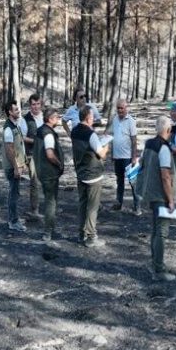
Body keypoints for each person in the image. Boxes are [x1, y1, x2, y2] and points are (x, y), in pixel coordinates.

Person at [137, 116, 176, 281]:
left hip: (150, 193)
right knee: (162, 232)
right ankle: (159, 270)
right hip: (161, 196)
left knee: (155, 230)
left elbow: (143, 165)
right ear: (167, 130)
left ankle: (154, 263)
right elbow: (165, 176)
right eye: (171, 130)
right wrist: (170, 200)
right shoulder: (164, 149)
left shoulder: (148, 144)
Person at [70, 105, 109, 248]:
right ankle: (92, 236)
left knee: (82, 204)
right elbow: (101, 153)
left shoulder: (74, 131)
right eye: (92, 116)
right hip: (93, 175)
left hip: (80, 173)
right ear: (88, 118)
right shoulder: (90, 134)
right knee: (92, 207)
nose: (94, 119)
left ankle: (81, 234)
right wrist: (107, 146)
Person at [33, 107, 65, 241]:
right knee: (51, 202)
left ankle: (50, 229)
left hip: (41, 170)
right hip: (49, 172)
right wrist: (59, 164)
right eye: (57, 117)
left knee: (49, 201)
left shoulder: (40, 131)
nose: (58, 119)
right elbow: (50, 154)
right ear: (51, 119)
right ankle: (48, 232)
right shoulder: (48, 134)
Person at [106, 98, 140, 214]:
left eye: (122, 108)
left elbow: (134, 140)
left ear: (126, 108)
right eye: (118, 108)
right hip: (117, 156)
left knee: (132, 181)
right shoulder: (115, 119)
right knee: (119, 180)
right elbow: (112, 137)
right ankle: (118, 202)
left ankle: (137, 206)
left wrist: (134, 157)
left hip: (128, 157)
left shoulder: (131, 121)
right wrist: (112, 154)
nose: (120, 110)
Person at [1, 100, 27, 233]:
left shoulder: (15, 125)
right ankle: (13, 221)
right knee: (13, 194)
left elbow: (19, 146)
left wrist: (23, 163)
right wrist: (16, 167)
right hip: (12, 167)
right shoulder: (8, 129)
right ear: (10, 112)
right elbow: (9, 150)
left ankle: (14, 219)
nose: (18, 111)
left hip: (17, 165)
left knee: (15, 193)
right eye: (16, 109)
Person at [22, 93, 43, 220]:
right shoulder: (25, 119)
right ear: (30, 106)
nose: (36, 107)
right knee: (35, 181)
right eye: (33, 104)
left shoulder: (45, 117)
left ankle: (50, 206)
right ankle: (34, 210)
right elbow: (21, 137)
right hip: (32, 154)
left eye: (38, 104)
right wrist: (35, 142)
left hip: (46, 153)